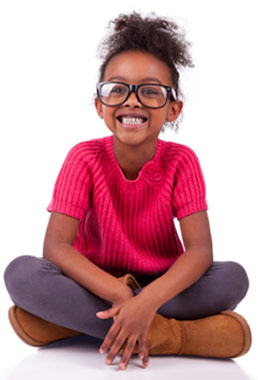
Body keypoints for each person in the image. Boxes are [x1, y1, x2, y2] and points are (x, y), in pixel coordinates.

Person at [4, 11, 251, 371]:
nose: (132, 101)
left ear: (173, 108)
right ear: (99, 104)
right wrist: (123, 296)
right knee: (22, 274)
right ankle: (176, 337)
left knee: (232, 278)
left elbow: (199, 251)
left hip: (163, 286)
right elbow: (56, 248)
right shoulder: (83, 158)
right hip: (94, 283)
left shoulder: (182, 161)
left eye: (150, 91)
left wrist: (146, 300)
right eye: (117, 89)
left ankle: (63, 325)